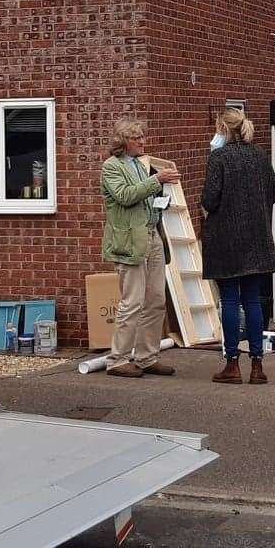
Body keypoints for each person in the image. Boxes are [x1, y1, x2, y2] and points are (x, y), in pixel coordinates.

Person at [200, 108, 275, 385]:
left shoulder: (218, 157)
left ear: (223, 128)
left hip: (226, 240)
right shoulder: (260, 157)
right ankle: (257, 365)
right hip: (257, 237)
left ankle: (232, 364)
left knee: (231, 300)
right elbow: (272, 194)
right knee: (253, 300)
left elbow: (209, 200)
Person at [99, 119, 179, 379]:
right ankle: (118, 359)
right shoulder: (112, 167)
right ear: (124, 142)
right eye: (137, 138)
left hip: (151, 234)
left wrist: (161, 198)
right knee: (131, 302)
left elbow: (143, 198)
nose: (143, 142)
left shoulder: (138, 165)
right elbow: (125, 196)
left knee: (156, 300)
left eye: (143, 137)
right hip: (129, 240)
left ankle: (147, 356)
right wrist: (157, 179)